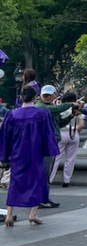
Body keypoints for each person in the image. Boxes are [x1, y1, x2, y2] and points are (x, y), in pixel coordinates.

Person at [1, 86, 59, 226]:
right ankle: (33, 214)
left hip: (17, 153)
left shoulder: (12, 115)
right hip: (35, 152)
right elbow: (48, 135)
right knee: (37, 181)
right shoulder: (42, 114)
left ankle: (9, 214)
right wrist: (48, 151)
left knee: (15, 181)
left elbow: (5, 137)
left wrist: (5, 154)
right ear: (35, 98)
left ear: (21, 98)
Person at [50, 92, 84, 187]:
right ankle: (66, 180)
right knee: (70, 159)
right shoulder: (77, 110)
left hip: (61, 133)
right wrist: (76, 132)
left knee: (56, 158)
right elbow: (81, 125)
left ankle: (50, 178)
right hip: (74, 134)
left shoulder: (61, 108)